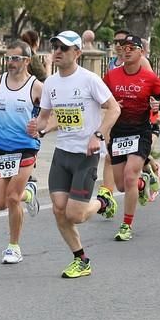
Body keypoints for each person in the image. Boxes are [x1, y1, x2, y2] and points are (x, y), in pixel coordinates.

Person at [27, 30, 120, 278]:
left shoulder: (89, 80)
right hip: (62, 154)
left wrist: (98, 135)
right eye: (55, 46)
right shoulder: (51, 84)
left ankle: (103, 201)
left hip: (85, 155)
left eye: (64, 48)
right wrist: (38, 127)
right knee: (59, 209)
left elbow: (114, 109)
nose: (57, 51)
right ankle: (81, 259)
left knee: (75, 215)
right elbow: (46, 118)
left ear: (77, 53)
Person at [103, 34, 160, 241]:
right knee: (123, 185)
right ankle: (142, 184)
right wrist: (111, 105)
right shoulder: (112, 76)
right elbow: (99, 100)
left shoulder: (150, 78)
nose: (126, 50)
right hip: (118, 133)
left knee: (130, 175)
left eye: (132, 47)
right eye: (123, 47)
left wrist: (159, 106)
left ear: (141, 52)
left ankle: (126, 225)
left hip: (140, 132)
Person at [0, 41, 43, 263]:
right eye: (8, 58)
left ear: (27, 61)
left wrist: (40, 127)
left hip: (26, 148)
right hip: (2, 148)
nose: (11, 63)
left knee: (12, 198)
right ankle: (31, 192)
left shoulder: (36, 87)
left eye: (15, 58)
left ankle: (13, 247)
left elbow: (51, 113)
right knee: (0, 203)